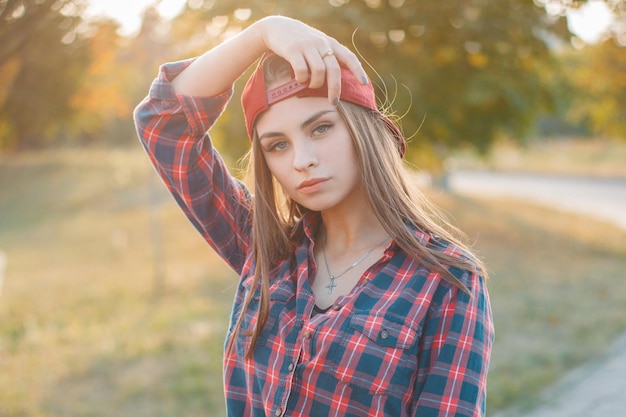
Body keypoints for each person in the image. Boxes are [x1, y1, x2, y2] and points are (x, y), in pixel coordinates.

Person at [134, 15, 494, 417]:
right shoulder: (268, 251)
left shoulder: (446, 278)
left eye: (321, 128)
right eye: (278, 145)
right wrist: (263, 32)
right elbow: (164, 122)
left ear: (365, 132)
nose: (302, 160)